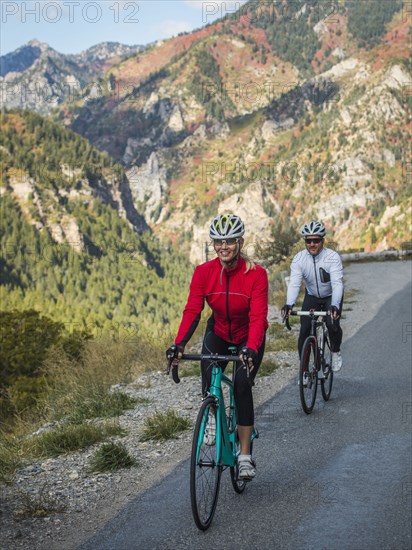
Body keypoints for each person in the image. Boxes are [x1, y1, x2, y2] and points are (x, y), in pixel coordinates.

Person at [166, 214, 268, 480]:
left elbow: (258, 318)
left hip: (249, 335)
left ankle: (244, 455)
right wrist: (179, 344)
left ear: (240, 242)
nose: (224, 246)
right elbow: (192, 310)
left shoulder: (256, 274)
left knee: (241, 385)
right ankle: (211, 414)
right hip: (220, 330)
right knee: (208, 367)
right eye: (218, 241)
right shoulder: (204, 273)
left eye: (230, 241)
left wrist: (252, 349)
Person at [281, 221, 343, 373]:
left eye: (316, 240)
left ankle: (335, 352)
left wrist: (335, 304)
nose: (312, 244)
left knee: (332, 324)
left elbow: (337, 283)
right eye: (308, 240)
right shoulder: (299, 259)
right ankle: (304, 370)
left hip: (330, 296)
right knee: (305, 329)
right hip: (312, 296)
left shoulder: (332, 257)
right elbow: (295, 283)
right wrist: (289, 304)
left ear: (322, 240)